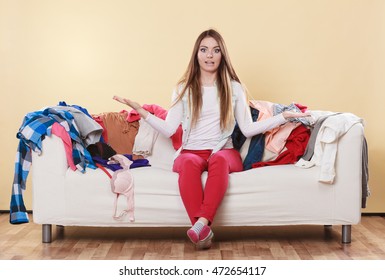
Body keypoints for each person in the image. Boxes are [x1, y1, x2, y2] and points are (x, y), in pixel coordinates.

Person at [113, 29, 310, 249]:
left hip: (223, 152)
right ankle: (202, 233)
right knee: (187, 162)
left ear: (222, 55)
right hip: (190, 152)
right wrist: (142, 111)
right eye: (204, 50)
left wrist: (282, 117)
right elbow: (169, 129)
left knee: (219, 161)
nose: (209, 55)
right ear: (196, 55)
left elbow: (247, 129)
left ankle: (202, 224)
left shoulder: (234, 88)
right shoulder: (184, 88)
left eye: (216, 50)